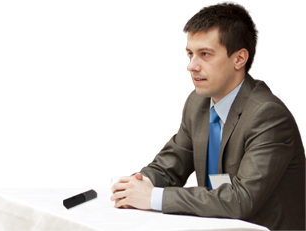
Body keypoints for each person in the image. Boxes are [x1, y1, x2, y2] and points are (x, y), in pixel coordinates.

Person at [110, 2, 306, 231]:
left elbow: (241, 200)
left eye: (205, 54)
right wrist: (138, 183)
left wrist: (154, 198)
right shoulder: (198, 102)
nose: (192, 66)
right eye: (191, 54)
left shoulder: (268, 115)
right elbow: (168, 167)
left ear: (239, 59)